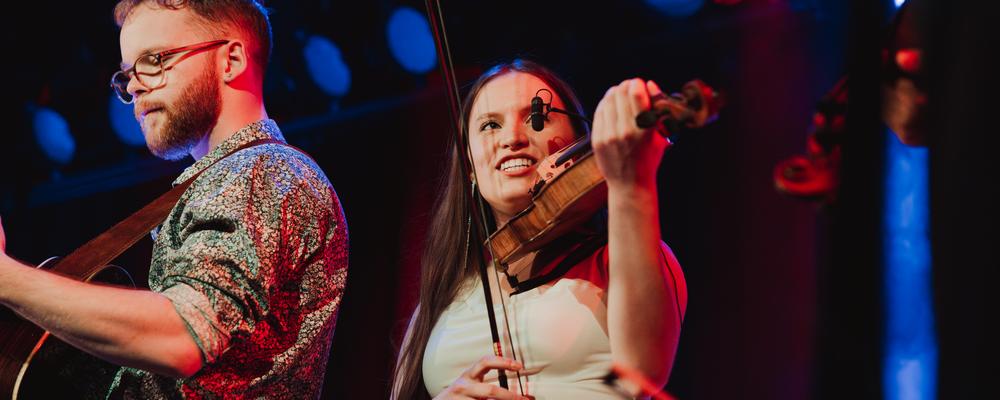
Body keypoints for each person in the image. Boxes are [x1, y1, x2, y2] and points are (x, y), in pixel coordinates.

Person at [0, 0, 348, 398]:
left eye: (154, 60)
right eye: (128, 72)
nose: (133, 85)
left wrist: (6, 278)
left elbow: (185, 335)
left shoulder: (260, 172)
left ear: (231, 60)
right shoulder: (232, 179)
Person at [391, 60, 687, 399]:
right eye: (490, 125)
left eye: (538, 117)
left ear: (578, 144)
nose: (513, 138)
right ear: (470, 166)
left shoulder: (616, 262)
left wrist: (629, 182)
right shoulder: (441, 298)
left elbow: (644, 371)